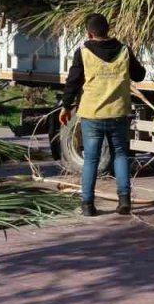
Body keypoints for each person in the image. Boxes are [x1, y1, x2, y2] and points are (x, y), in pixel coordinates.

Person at [58, 13, 147, 217]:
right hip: (118, 113)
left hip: (92, 114)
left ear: (89, 33)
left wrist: (65, 106)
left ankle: (88, 205)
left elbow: (73, 81)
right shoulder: (124, 50)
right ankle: (124, 201)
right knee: (121, 154)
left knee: (91, 159)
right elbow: (139, 75)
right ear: (108, 30)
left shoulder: (83, 52)